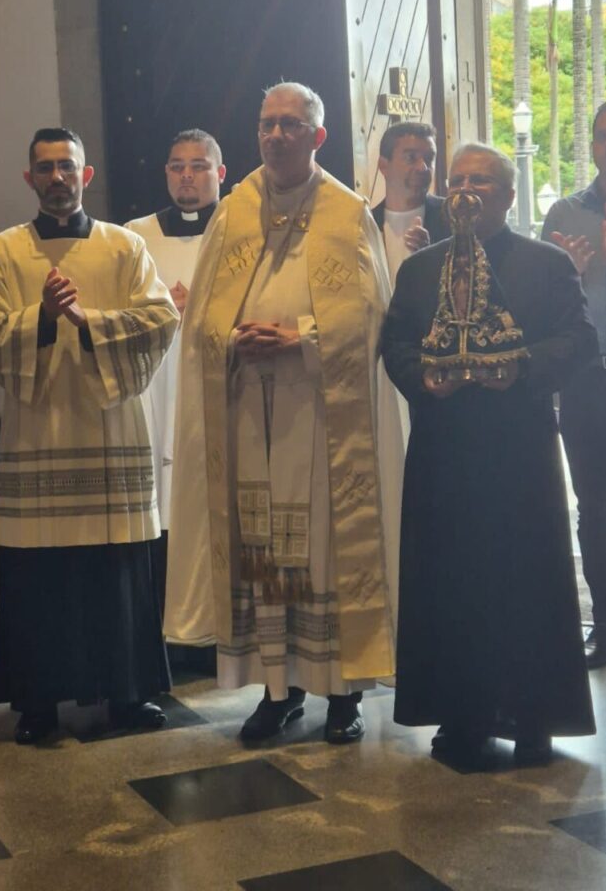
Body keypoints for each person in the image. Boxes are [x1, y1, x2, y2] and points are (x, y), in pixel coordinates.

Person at [164, 82, 405, 744]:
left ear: (318, 136)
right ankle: (280, 689)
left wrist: (302, 338)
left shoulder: (346, 213)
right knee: (266, 551)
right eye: (267, 123)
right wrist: (230, 338)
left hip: (321, 412)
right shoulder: (235, 211)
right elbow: (202, 318)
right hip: (250, 408)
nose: (275, 135)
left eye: (291, 124)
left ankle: (345, 695)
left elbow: (371, 316)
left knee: (325, 548)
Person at [381, 142, 596, 765]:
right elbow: (395, 343)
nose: (465, 191)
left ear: (507, 194)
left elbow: (579, 338)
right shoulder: (420, 269)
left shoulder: (547, 263)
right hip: (444, 451)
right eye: (456, 181)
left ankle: (533, 717)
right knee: (450, 582)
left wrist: (521, 367)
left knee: (525, 581)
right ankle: (461, 715)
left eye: (481, 181)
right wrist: (423, 376)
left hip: (517, 450)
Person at [0, 127, 179, 744]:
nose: (57, 177)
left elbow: (160, 319)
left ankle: (128, 695)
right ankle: (38, 702)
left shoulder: (124, 246)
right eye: (45, 168)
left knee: (116, 568)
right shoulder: (4, 251)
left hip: (112, 432)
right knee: (41, 573)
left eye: (67, 166)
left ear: (87, 175)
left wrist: (89, 321)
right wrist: (41, 317)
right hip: (38, 434)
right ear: (28, 178)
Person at [542, 97, 606, 669]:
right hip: (583, 381)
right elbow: (542, 299)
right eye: (603, 134)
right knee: (595, 509)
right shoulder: (563, 212)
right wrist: (569, 275)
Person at [126, 129, 226, 608]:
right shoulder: (135, 236)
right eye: (177, 166)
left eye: (199, 166)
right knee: (164, 507)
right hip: (158, 391)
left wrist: (201, 304)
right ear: (166, 173)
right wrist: (160, 307)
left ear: (219, 173)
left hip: (219, 383)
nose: (187, 175)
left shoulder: (240, 230)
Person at [372, 121, 449, 284]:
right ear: (383, 166)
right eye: (411, 158)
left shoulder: (451, 217)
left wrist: (430, 256)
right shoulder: (366, 222)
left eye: (429, 159)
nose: (423, 167)